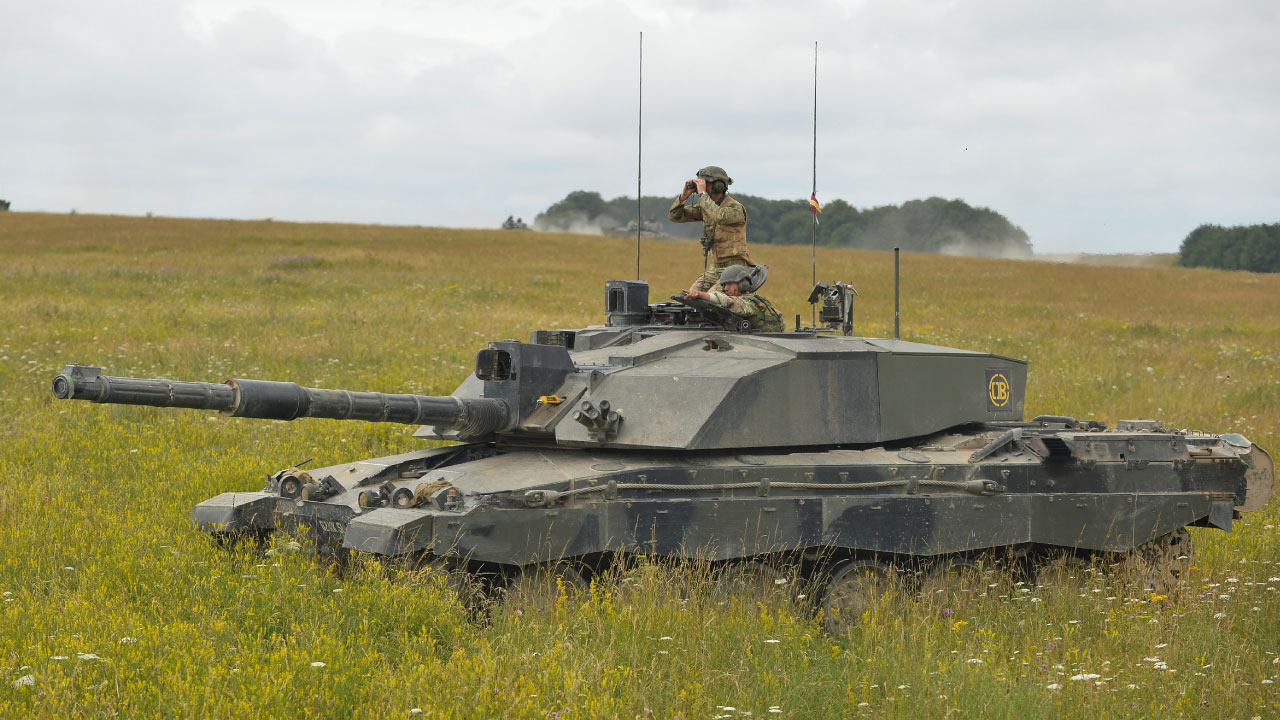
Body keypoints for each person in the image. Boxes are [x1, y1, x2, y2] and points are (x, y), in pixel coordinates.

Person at [669, 166, 752, 292]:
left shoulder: (735, 208)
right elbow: (675, 216)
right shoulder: (706, 207)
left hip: (735, 267)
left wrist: (703, 195)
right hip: (716, 267)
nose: (701, 186)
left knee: (712, 299)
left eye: (705, 183)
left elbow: (719, 216)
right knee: (692, 295)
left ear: (718, 186)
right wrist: (683, 196)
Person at [682, 264, 784, 332]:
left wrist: (701, 295)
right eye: (724, 285)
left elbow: (730, 303)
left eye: (730, 284)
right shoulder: (752, 299)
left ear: (742, 284)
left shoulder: (751, 302)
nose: (726, 288)